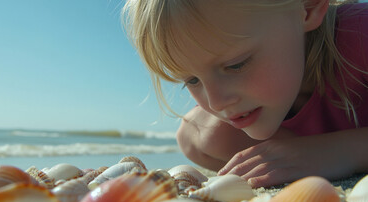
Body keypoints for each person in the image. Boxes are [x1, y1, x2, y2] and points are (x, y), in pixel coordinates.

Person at [122, 0, 368, 187]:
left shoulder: (360, 32)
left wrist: (331, 152)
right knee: (197, 133)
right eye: (192, 80)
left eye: (236, 65)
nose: (216, 102)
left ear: (308, 7)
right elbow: (191, 141)